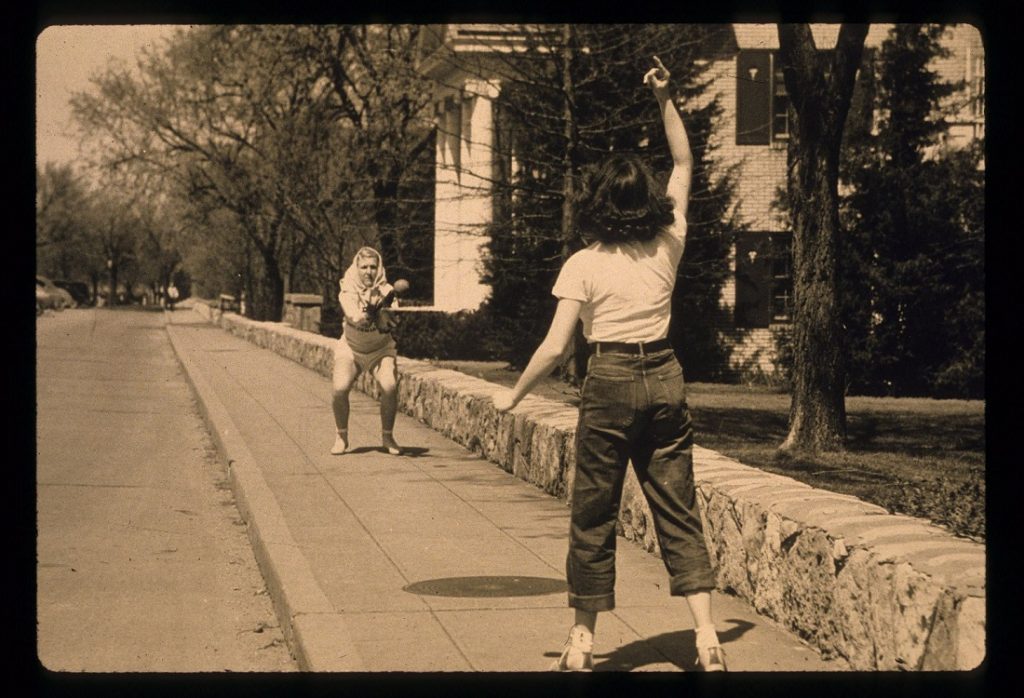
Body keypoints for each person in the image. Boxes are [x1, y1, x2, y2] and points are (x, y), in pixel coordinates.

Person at [493, 56, 726, 672]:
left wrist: (512, 397)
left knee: (593, 512)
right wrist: (664, 98)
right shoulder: (668, 243)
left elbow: (554, 348)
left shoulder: (584, 264)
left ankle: (583, 642)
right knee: (677, 508)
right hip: (667, 378)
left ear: (599, 201)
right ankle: (706, 640)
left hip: (612, 383)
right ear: (648, 199)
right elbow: (683, 162)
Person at [331, 246, 402, 457]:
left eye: (373, 267)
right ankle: (341, 436)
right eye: (364, 267)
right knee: (339, 388)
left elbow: (390, 323)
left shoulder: (388, 291)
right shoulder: (347, 290)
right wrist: (368, 312)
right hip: (352, 348)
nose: (368, 271)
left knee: (389, 385)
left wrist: (384, 311)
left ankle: (387, 436)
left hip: (381, 349)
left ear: (379, 268)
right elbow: (354, 316)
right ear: (356, 268)